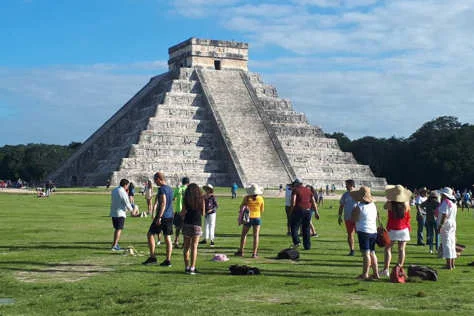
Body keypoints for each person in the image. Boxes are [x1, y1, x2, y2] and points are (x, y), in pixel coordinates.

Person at [380, 185, 412, 278]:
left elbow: (384, 207)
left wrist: (390, 197)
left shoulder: (390, 203)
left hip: (393, 228)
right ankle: (399, 268)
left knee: (388, 249)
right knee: (401, 249)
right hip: (404, 228)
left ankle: (386, 269)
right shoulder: (406, 203)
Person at [143, 172, 174, 266]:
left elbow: (163, 203)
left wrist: (159, 216)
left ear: (159, 179)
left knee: (150, 234)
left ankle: (153, 257)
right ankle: (168, 260)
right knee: (167, 237)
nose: (155, 183)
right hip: (169, 216)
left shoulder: (162, 189)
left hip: (162, 216)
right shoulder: (170, 189)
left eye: (155, 180)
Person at [350, 186, 379, 280]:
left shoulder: (359, 207)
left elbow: (353, 219)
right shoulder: (373, 205)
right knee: (372, 252)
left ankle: (365, 274)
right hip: (373, 231)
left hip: (364, 231)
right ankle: (376, 273)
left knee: (366, 254)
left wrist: (354, 211)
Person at [181, 183, 205, 274]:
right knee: (194, 246)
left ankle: (186, 267)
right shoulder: (201, 198)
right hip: (197, 223)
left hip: (187, 223)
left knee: (186, 247)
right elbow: (203, 213)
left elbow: (183, 212)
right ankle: (192, 267)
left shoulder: (186, 199)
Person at [235, 184, 264, 258]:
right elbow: (262, 210)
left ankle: (241, 251)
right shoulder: (260, 198)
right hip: (257, 217)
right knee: (256, 236)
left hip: (247, 218)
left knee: (244, 235)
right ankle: (254, 253)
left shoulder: (247, 198)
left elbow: (241, 206)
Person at [290, 179, 318, 250]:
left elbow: (293, 202)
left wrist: (291, 211)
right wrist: (316, 212)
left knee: (294, 227)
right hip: (308, 211)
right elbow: (313, 201)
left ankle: (296, 241)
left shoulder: (295, 190)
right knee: (306, 228)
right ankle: (307, 246)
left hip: (298, 210)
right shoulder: (308, 190)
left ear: (297, 184)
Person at [437, 187, 458, 270]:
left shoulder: (445, 203)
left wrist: (441, 225)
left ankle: (448, 265)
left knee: (447, 244)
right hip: (452, 223)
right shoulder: (453, 203)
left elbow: (444, 215)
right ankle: (452, 264)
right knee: (452, 244)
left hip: (446, 224)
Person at [109, 179, 133, 251]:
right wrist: (132, 210)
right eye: (127, 186)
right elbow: (127, 202)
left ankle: (115, 243)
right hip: (120, 213)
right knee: (119, 229)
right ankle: (115, 245)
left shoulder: (114, 190)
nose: (127, 187)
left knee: (117, 229)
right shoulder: (122, 192)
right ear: (125, 185)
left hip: (114, 212)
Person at [338, 179, 357, 256]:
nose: (345, 186)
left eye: (347, 184)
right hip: (348, 218)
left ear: (351, 185)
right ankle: (352, 250)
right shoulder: (345, 195)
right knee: (350, 234)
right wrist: (339, 216)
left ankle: (365, 250)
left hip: (357, 218)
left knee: (361, 234)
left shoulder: (358, 194)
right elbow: (341, 206)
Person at [173, 177, 189, 248]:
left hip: (178, 210)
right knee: (185, 228)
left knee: (177, 227)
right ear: (188, 183)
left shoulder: (178, 189)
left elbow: (173, 198)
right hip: (185, 211)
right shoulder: (188, 190)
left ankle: (176, 241)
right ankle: (184, 243)